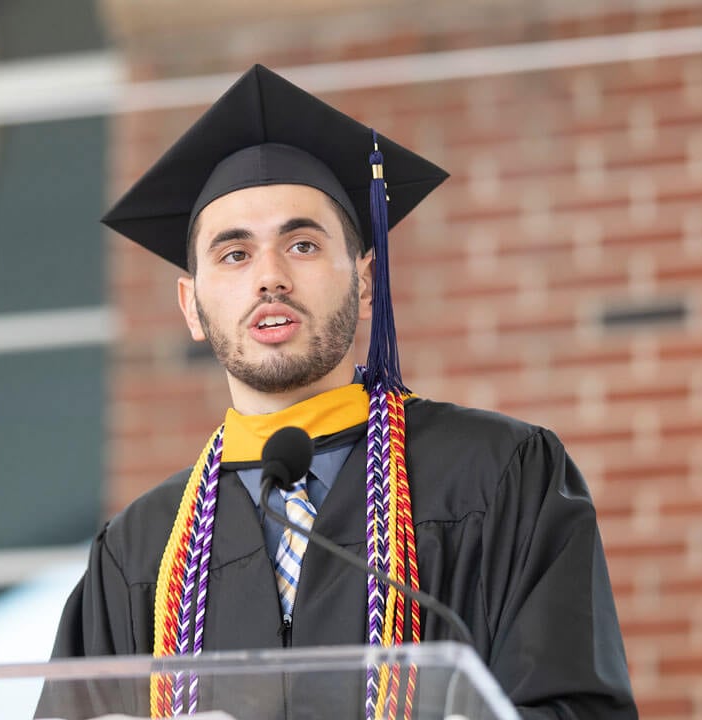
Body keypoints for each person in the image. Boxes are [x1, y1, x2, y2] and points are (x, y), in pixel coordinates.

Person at [46, 65, 636, 719]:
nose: (269, 278)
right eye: (234, 254)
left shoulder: (499, 476)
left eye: (301, 244)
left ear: (365, 281)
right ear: (191, 305)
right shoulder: (139, 554)